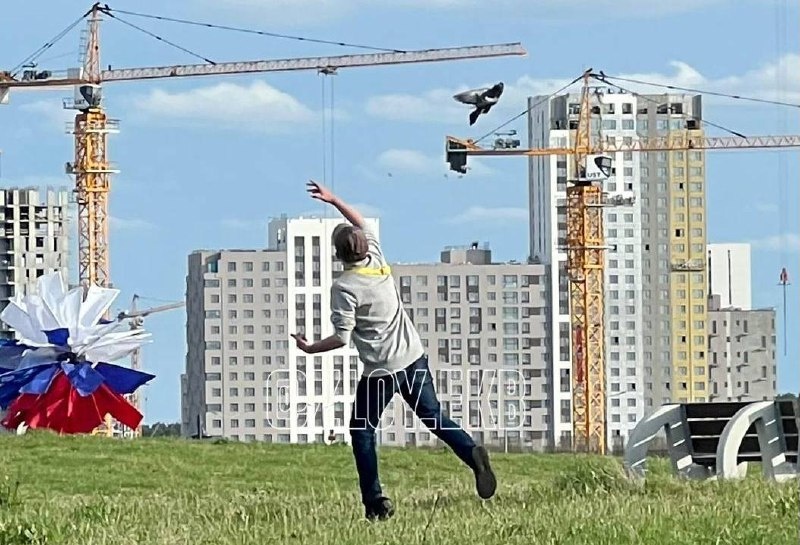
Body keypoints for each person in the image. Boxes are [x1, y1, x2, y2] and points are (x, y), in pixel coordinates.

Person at [291, 180, 497, 521]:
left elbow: (341, 337)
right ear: (364, 247)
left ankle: (375, 502)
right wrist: (334, 199)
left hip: (382, 371)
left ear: (339, 256)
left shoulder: (344, 287)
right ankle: (471, 451)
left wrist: (310, 348)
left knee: (362, 431)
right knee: (434, 418)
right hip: (413, 357)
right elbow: (360, 221)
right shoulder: (376, 258)